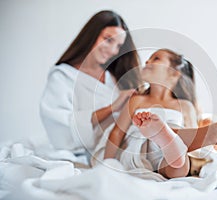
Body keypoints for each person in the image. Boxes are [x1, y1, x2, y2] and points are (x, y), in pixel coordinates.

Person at [101, 48, 217, 179]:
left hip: (170, 156)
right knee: (164, 138)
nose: (147, 62)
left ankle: (168, 138)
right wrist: (107, 164)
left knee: (178, 163)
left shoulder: (185, 106)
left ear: (174, 73)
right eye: (147, 59)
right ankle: (214, 133)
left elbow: (193, 145)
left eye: (156, 58)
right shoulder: (137, 100)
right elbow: (117, 133)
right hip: (141, 150)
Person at [40, 10, 141, 154]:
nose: (113, 50)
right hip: (94, 152)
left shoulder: (114, 76)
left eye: (118, 46)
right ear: (91, 36)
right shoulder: (62, 76)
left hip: (126, 144)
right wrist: (111, 108)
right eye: (108, 39)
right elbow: (62, 128)